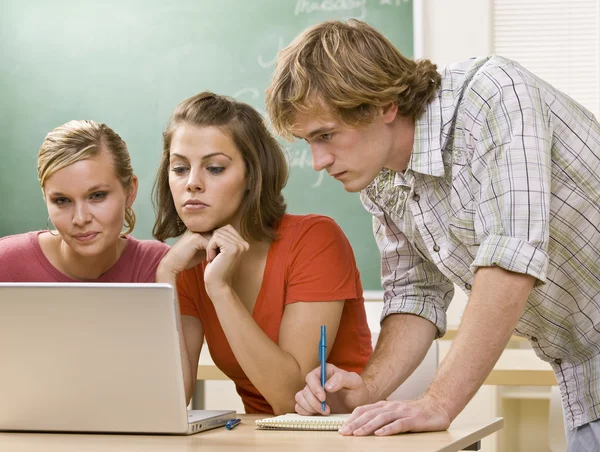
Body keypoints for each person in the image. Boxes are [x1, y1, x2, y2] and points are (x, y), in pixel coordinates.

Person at [264, 18, 600, 448]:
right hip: (584, 374)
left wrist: (438, 401)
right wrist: (369, 388)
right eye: (307, 142)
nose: (318, 161)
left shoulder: (494, 95)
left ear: (383, 104)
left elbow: (511, 260)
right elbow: (415, 294)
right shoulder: (383, 180)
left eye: (326, 135)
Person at [153, 92, 372, 414]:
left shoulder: (315, 240)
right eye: (180, 168)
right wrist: (166, 277)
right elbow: (169, 404)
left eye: (214, 168)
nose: (192, 183)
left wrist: (220, 289)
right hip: (259, 438)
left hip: (340, 434)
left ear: (252, 176)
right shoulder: (186, 263)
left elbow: (292, 401)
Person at [0, 120, 169, 282]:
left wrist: (169, 272)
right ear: (45, 198)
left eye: (97, 196)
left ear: (130, 191)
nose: (80, 219)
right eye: (62, 200)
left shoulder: (159, 265)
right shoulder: (5, 262)